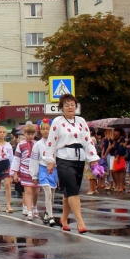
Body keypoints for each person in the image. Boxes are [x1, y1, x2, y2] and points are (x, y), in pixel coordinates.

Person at [44, 94, 98, 234]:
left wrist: (93, 158)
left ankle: (64, 219)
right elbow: (51, 142)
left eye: (72, 104)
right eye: (66, 105)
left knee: (69, 191)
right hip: (63, 159)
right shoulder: (57, 121)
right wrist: (50, 161)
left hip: (79, 159)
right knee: (73, 189)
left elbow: (88, 141)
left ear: (76, 106)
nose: (70, 107)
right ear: (62, 108)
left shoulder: (81, 121)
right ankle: (80, 222)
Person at [30, 119, 58, 226]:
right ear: (40, 130)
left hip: (54, 169)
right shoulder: (38, 145)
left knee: (52, 193)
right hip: (42, 169)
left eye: (48, 128)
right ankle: (51, 216)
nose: (46, 131)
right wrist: (34, 174)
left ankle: (47, 213)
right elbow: (34, 160)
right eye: (43, 129)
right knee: (47, 192)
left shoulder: (55, 142)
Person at [12, 124, 37, 220]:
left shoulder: (37, 144)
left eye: (32, 134)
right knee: (28, 190)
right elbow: (17, 158)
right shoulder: (21, 144)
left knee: (35, 191)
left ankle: (34, 207)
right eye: (28, 134)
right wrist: (15, 172)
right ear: (24, 134)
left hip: (35, 170)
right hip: (24, 169)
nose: (30, 136)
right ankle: (29, 211)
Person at [0, 126, 14, 213]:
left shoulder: (8, 146)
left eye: (4, 132)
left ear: (6, 134)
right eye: (0, 132)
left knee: (7, 184)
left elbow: (11, 158)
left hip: (6, 164)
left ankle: (8, 205)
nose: (2, 134)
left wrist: (12, 170)